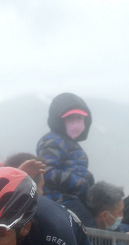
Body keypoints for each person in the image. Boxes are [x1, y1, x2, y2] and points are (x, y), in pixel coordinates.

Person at [36, 92, 95, 226]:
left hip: (72, 199)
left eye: (79, 118)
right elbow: (47, 172)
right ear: (59, 121)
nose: (76, 122)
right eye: (70, 118)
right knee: (90, 229)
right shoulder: (53, 140)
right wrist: (80, 182)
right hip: (60, 201)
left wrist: (87, 177)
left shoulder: (68, 141)